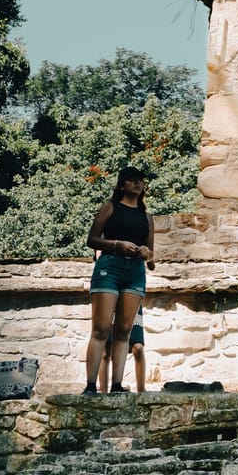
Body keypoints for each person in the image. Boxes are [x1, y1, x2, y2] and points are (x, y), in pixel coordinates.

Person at [84, 165, 152, 395]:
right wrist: (117, 244)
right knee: (102, 329)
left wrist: (146, 253)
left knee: (123, 331)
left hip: (135, 271)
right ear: (122, 185)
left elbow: (152, 252)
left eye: (140, 181)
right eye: (132, 180)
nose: (137, 184)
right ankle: (91, 386)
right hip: (110, 266)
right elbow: (92, 239)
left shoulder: (146, 217)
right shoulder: (110, 207)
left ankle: (117, 385)